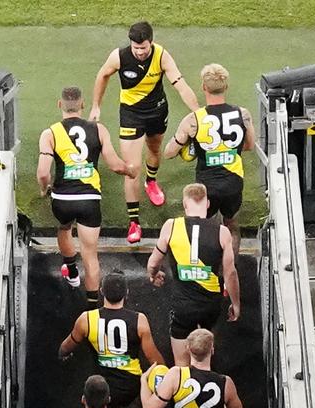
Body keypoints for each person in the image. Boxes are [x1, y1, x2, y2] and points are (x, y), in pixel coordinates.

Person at [89, 20, 200, 245]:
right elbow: (103, 76)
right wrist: (95, 106)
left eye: (144, 48)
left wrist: (199, 113)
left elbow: (180, 84)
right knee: (131, 169)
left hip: (158, 111)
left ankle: (151, 181)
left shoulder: (161, 56)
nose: (140, 52)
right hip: (131, 115)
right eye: (136, 48)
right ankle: (134, 222)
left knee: (154, 149)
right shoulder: (119, 56)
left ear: (151, 42)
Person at [37, 86, 136, 308]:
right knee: (90, 256)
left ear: (60, 104)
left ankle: (71, 271)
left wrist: (45, 189)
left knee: (64, 228)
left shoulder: (50, 133)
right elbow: (115, 165)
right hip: (89, 200)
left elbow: (43, 172)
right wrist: (131, 171)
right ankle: (93, 309)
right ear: (82, 105)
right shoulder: (98, 130)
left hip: (62, 199)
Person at [145, 183, 240, 367]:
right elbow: (231, 273)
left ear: (184, 204)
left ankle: (184, 391)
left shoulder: (171, 226)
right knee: (204, 358)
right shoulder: (222, 232)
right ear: (207, 204)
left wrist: (154, 275)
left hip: (182, 307)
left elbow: (153, 263)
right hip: (210, 305)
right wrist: (236, 304)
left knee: (181, 364)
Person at [164, 63, 256, 249]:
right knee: (231, 225)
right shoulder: (242, 114)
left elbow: (169, 153)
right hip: (233, 183)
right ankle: (230, 267)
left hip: (207, 188)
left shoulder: (194, 120)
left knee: (204, 229)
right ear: (226, 87)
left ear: (203, 87)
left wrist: (189, 144)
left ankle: (208, 266)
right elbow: (249, 145)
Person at [58, 270, 166, 408]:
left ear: (102, 292)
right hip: (131, 385)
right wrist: (166, 374)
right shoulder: (139, 320)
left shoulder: (87, 319)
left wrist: (62, 354)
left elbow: (66, 346)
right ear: (126, 293)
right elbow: (153, 358)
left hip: (102, 384)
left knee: (105, 406)